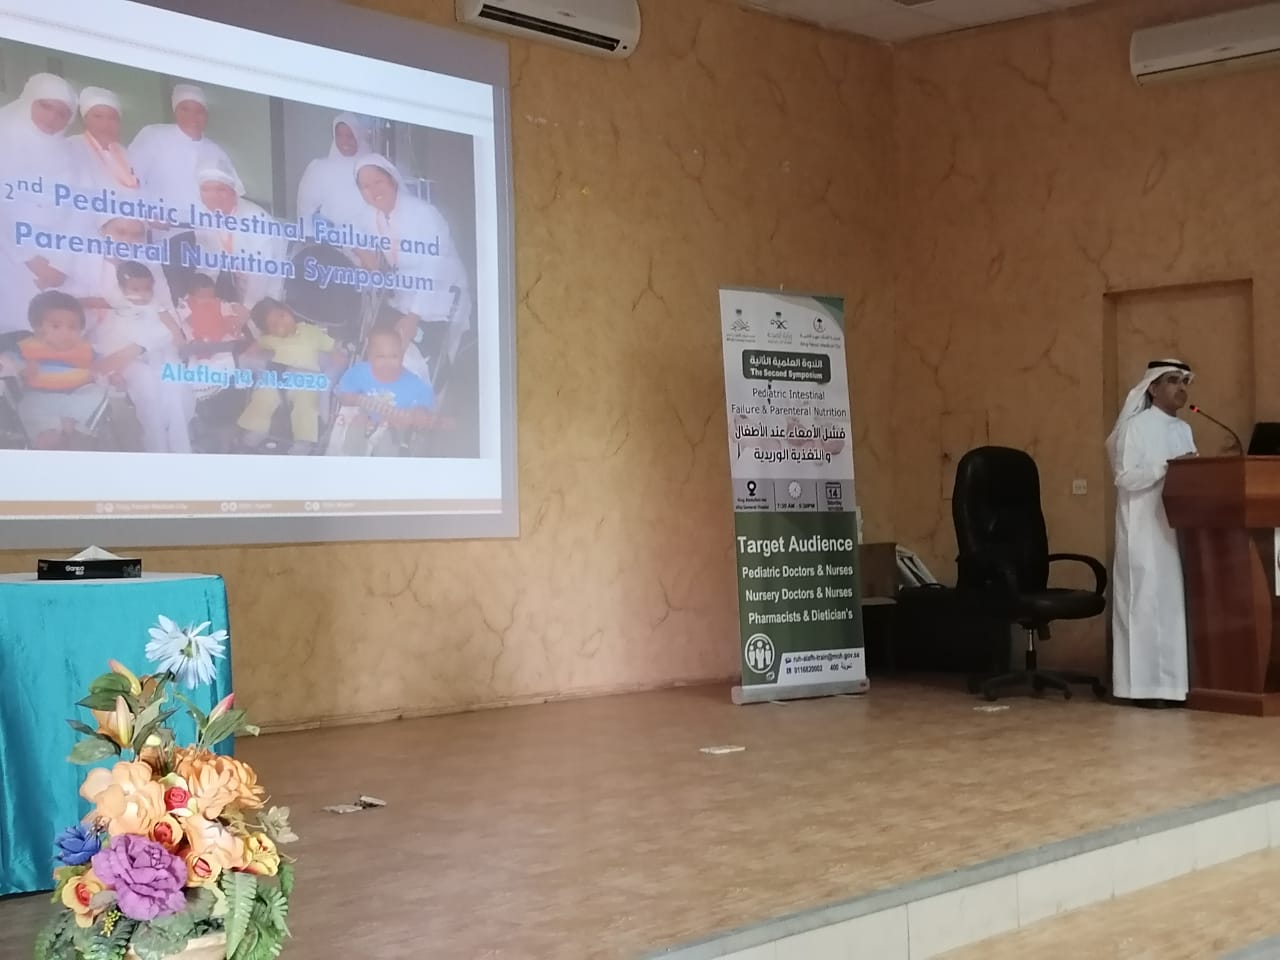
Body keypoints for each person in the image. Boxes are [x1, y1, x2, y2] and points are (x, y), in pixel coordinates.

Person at [1106, 359, 1198, 706]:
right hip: (1142, 531)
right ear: (1153, 388)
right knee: (1142, 606)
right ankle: (1139, 689)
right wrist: (1168, 466)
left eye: (1184, 381)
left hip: (1173, 531)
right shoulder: (1136, 427)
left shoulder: (1183, 429)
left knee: (1169, 609)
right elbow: (1125, 477)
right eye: (1172, 380)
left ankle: (1171, 688)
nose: (1180, 387)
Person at [351, 154, 471, 385]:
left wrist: (414, 316)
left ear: (392, 180)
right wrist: (362, 253)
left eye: (378, 181)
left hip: (441, 299)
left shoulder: (424, 214)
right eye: (365, 186)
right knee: (382, 353)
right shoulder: (371, 214)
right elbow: (349, 230)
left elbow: (433, 268)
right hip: (403, 298)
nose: (373, 190)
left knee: (421, 367)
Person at [0, 73, 78, 335]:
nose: (52, 118)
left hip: (53, 265)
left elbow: (75, 212)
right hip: (9, 257)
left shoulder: (67, 152)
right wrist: (30, 258)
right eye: (45, 106)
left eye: (62, 113)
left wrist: (61, 263)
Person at [92, 261, 191, 454]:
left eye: (147, 289)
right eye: (135, 289)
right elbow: (111, 346)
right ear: (123, 289)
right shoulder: (117, 311)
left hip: (161, 357)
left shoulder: (157, 306)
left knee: (174, 390)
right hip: (133, 363)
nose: (143, 294)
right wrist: (115, 372)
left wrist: (172, 336)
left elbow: (174, 332)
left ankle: (181, 447)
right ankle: (157, 447)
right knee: (148, 391)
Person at [237, 298, 343, 453]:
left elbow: (331, 346)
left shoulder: (311, 331)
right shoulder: (271, 339)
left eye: (282, 316)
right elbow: (256, 348)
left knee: (307, 405)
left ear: (288, 311)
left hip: (306, 380)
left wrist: (336, 354)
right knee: (262, 396)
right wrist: (251, 352)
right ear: (269, 331)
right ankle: (257, 430)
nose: (282, 323)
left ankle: (304, 442)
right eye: (274, 325)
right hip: (279, 378)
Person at [188, 153, 287, 308]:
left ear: (233, 192)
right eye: (206, 189)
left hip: (268, 294)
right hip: (240, 291)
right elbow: (207, 266)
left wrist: (247, 308)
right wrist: (200, 298)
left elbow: (260, 276)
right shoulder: (206, 217)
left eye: (221, 189)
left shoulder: (256, 219)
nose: (213, 196)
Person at [12, 290, 106, 449]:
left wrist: (115, 374)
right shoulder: (29, 347)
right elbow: (8, 360)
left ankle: (74, 424)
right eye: (56, 326)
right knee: (27, 405)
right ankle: (49, 434)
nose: (65, 333)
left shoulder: (85, 348)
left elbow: (102, 364)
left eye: (73, 327)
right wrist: (20, 367)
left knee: (97, 392)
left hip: (78, 393)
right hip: (41, 396)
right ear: (38, 328)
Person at [128, 83, 234, 220]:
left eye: (199, 111)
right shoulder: (154, 135)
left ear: (206, 115)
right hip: (161, 227)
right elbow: (130, 179)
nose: (193, 116)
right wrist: (147, 212)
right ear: (175, 112)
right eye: (185, 109)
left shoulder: (216, 151)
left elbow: (233, 196)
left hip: (206, 229)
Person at [330, 323, 434, 457]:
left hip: (393, 423)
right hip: (365, 415)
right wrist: (352, 398)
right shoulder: (359, 372)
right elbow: (345, 394)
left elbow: (425, 398)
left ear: (402, 356)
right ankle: (351, 457)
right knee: (355, 426)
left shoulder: (412, 381)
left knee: (390, 443)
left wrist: (421, 411)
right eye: (381, 357)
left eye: (394, 356)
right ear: (370, 356)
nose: (388, 363)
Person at [296, 112, 375, 234]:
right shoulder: (319, 168)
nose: (344, 141)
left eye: (349, 136)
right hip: (329, 241)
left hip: (366, 239)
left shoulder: (374, 167)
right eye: (339, 135)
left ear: (358, 136)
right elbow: (305, 212)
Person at [67, 87, 140, 196]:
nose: (105, 124)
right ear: (85, 119)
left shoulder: (127, 155)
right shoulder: (71, 147)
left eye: (112, 118)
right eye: (98, 117)